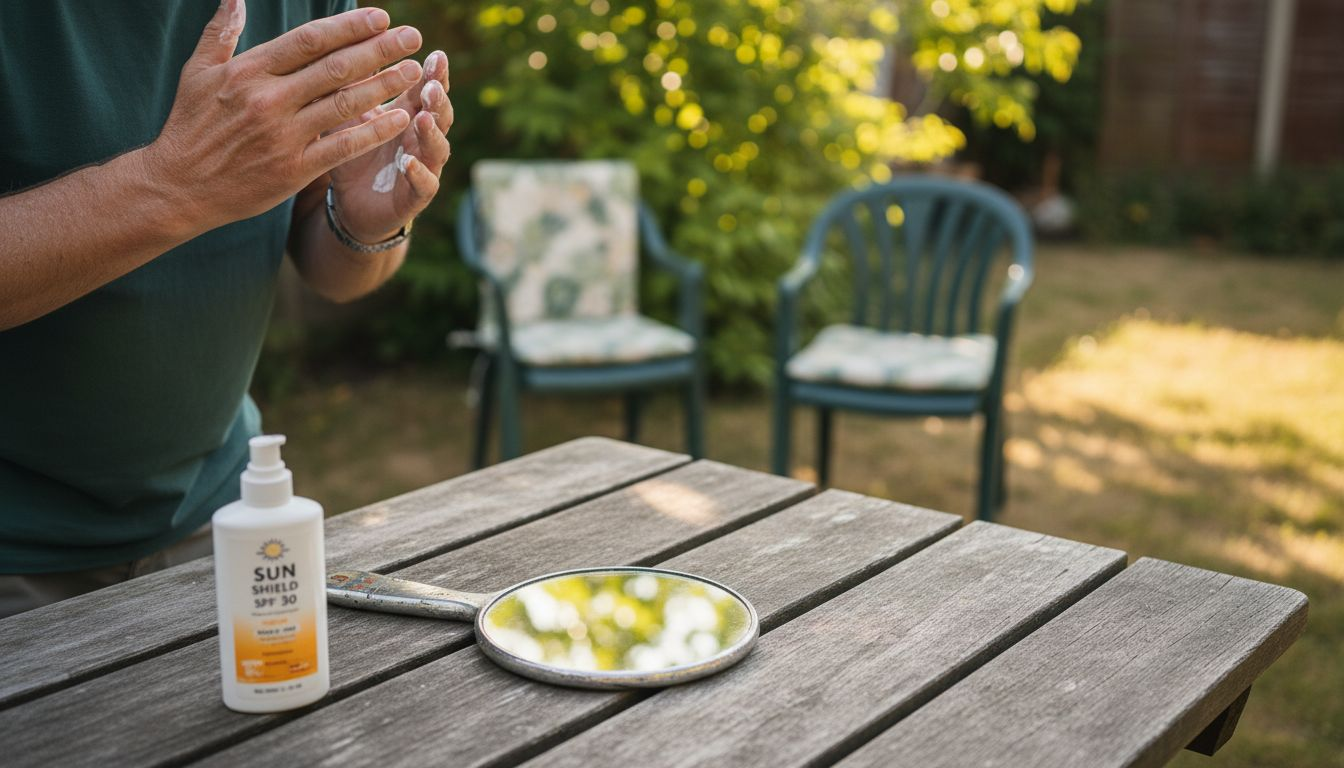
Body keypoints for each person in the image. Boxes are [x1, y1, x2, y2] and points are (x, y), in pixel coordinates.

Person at [0, 0, 454, 617]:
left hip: (225, 515)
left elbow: (332, 268)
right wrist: (174, 184)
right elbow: (195, 179)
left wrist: (365, 226)